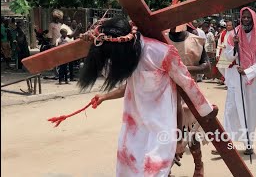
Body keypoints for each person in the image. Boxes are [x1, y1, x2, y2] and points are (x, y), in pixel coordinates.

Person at [78, 17, 216, 177]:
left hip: (159, 130)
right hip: (133, 130)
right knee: (127, 171)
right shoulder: (125, 55)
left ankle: (198, 165)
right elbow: (127, 84)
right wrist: (104, 95)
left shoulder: (161, 53)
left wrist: (206, 110)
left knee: (153, 171)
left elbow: (186, 82)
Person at [222, 7, 256, 155]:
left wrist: (247, 71)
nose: (246, 20)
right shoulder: (234, 35)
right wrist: (235, 47)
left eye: (249, 17)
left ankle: (249, 144)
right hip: (236, 78)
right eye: (244, 17)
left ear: (253, 19)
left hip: (252, 81)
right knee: (231, 110)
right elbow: (228, 57)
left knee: (249, 111)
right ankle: (227, 143)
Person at [167, 23, 211, 177]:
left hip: (189, 93)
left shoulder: (195, 40)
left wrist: (184, 69)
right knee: (165, 135)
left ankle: (198, 166)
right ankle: (166, 170)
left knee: (191, 134)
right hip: (165, 94)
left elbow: (207, 67)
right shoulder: (162, 39)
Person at [216, 20, 234, 87]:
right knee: (220, 68)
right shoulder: (223, 33)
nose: (228, 26)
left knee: (228, 69)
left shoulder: (234, 33)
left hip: (231, 53)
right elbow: (219, 43)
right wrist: (217, 54)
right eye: (227, 25)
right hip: (223, 52)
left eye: (230, 25)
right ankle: (227, 80)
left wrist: (228, 46)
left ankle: (228, 83)